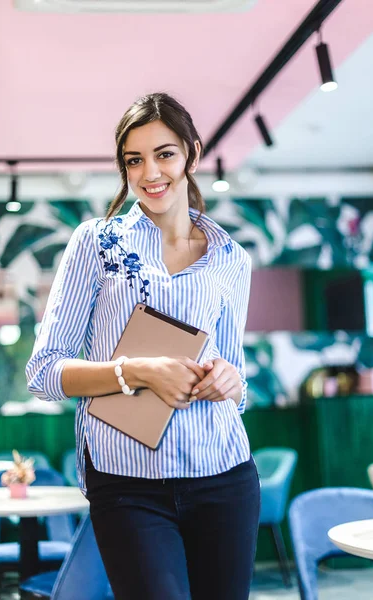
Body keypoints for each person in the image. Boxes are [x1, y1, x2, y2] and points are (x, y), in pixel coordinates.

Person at [26, 92, 260, 600]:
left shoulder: (232, 259)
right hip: (127, 485)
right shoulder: (97, 243)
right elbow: (43, 372)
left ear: (192, 154)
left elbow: (241, 386)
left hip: (225, 476)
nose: (150, 172)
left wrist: (231, 381)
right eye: (135, 159)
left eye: (165, 154)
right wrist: (136, 370)